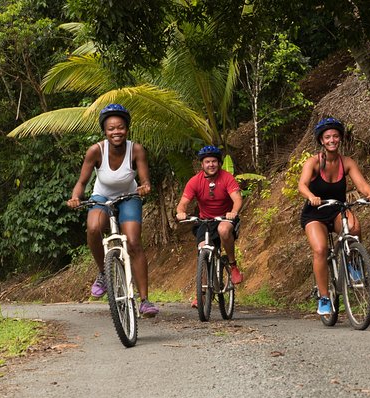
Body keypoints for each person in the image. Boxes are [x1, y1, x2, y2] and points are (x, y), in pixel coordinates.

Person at [66, 104, 158, 316]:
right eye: (111, 129)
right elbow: (82, 181)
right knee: (93, 228)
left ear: (127, 128)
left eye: (120, 127)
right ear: (104, 131)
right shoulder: (96, 151)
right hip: (102, 197)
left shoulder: (136, 150)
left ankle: (144, 301)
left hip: (129, 197)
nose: (116, 132)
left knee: (134, 243)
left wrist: (145, 187)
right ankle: (103, 273)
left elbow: (144, 179)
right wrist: (75, 197)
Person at [298, 117, 370, 316]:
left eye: (335, 136)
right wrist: (311, 196)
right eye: (327, 137)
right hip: (315, 213)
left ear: (340, 138)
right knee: (320, 249)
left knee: (355, 227)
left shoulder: (347, 162)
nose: (332, 140)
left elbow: (361, 184)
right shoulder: (314, 162)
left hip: (337, 209)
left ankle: (353, 262)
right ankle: (324, 297)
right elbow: (302, 185)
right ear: (321, 141)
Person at [176, 145, 244, 307]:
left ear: (219, 163)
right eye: (207, 162)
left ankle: (233, 265)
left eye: (214, 161)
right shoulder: (195, 181)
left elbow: (237, 199)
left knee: (223, 229)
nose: (211, 164)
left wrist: (233, 212)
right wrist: (181, 213)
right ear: (202, 164)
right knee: (202, 250)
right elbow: (182, 204)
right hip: (205, 221)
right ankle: (203, 292)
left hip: (225, 218)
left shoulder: (227, 178)